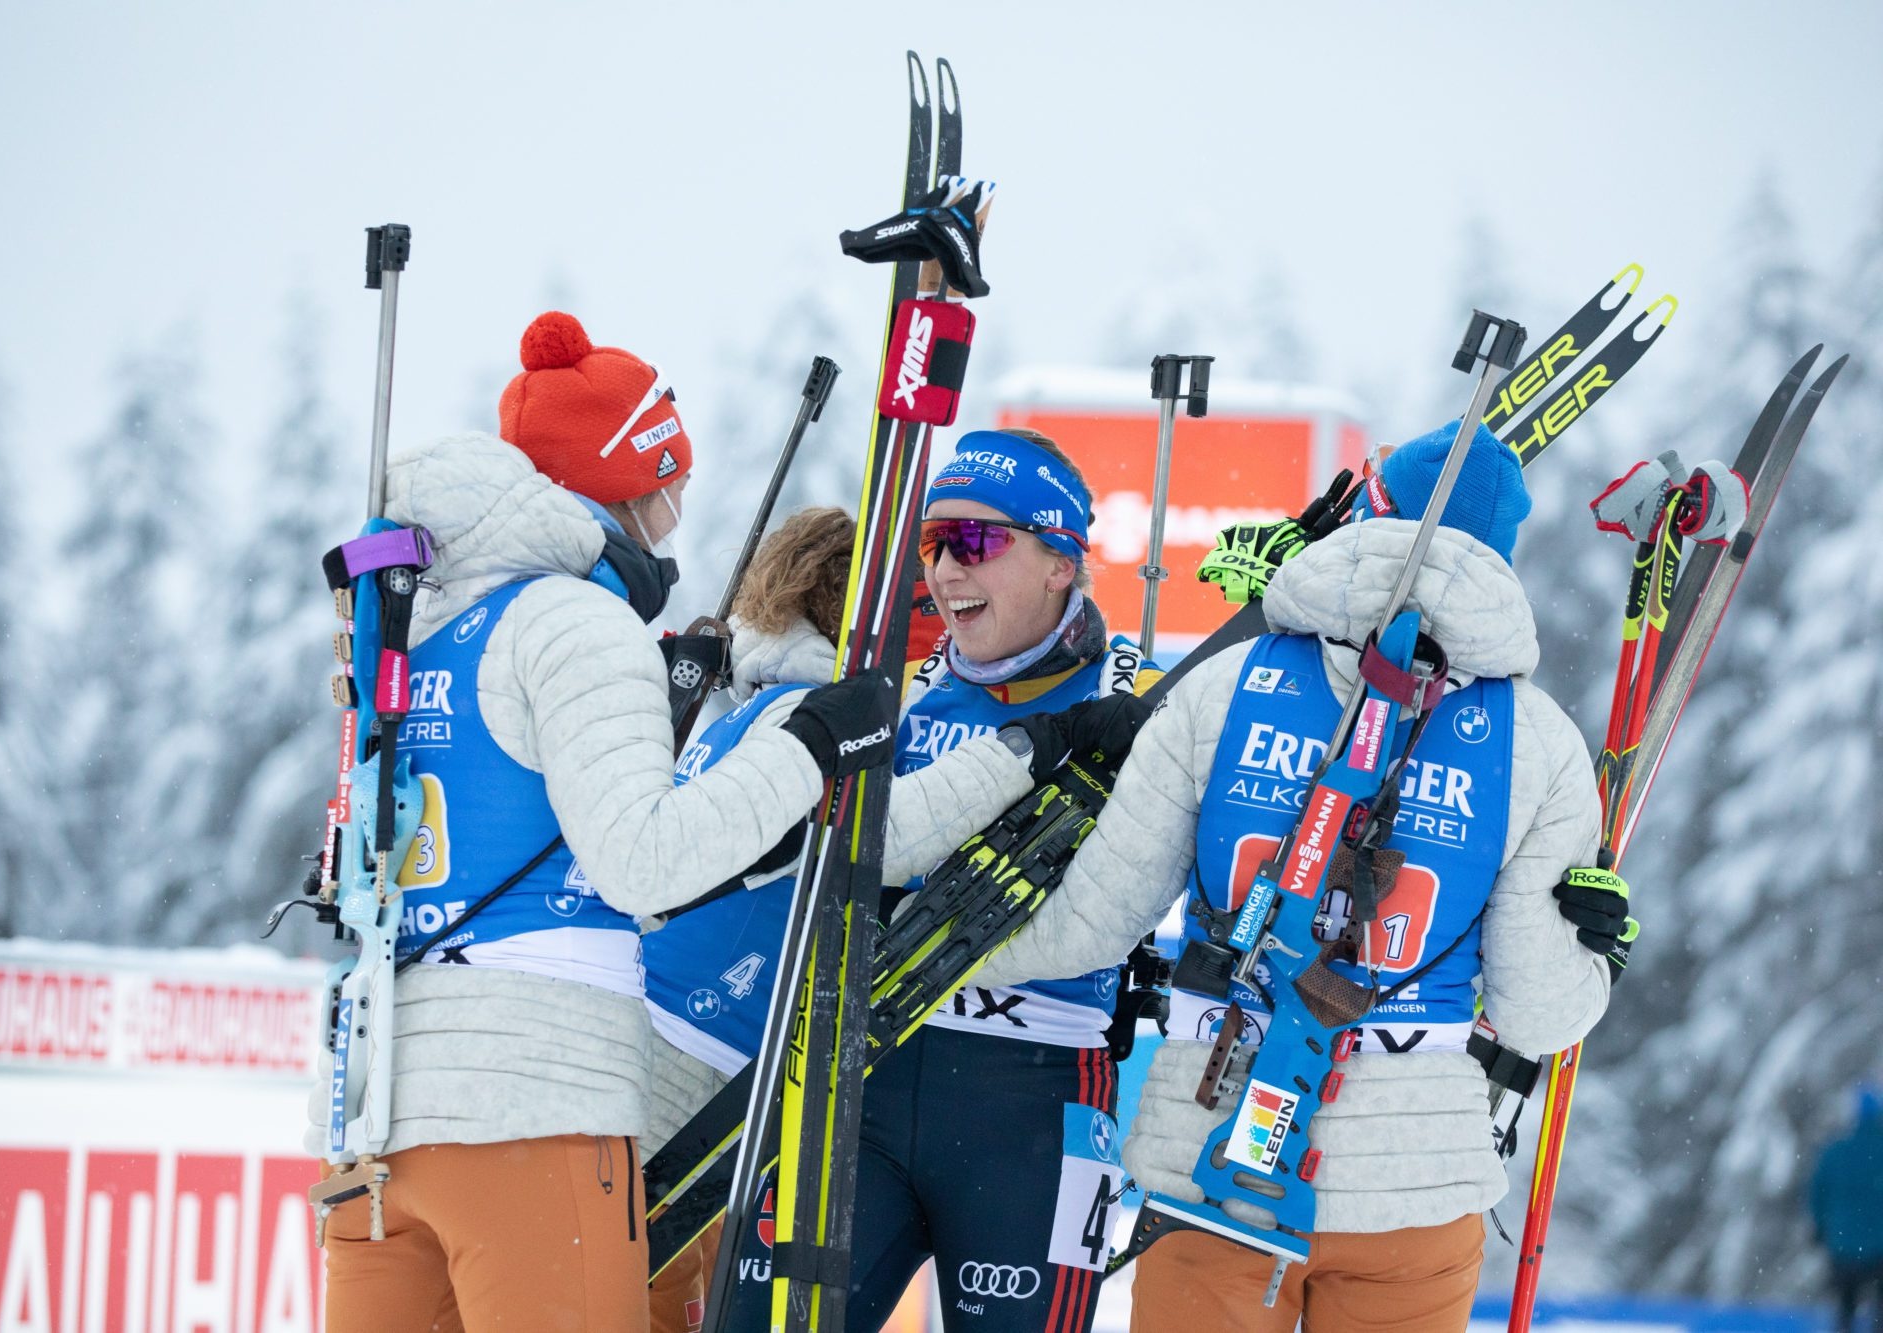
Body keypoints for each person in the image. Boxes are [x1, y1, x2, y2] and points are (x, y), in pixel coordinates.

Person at [308, 311, 902, 1333]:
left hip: (381, 1116)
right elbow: (643, 862)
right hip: (536, 1106)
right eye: (672, 487)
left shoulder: (416, 615)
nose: (677, 516)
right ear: (635, 481)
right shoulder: (575, 621)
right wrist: (805, 744)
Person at [978, 423, 1630, 1331]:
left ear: (1367, 513)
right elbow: (1536, 1017)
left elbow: (1089, 924)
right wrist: (1597, 956)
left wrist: (931, 956)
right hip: (1415, 1187)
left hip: (1213, 1160)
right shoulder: (1543, 741)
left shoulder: (1225, 684)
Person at [643, 505, 1149, 1333]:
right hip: (737, 1058)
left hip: (756, 1054)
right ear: (858, 612)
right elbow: (886, 833)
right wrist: (1038, 743)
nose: (945, 594)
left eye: (971, 549)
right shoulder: (819, 707)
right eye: (925, 576)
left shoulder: (753, 694)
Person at [1811, 1084, 1883, 1333]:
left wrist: (1820, 1229)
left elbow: (1816, 1195)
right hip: (1880, 1248)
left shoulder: (1835, 1151)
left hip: (1844, 1245)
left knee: (1845, 1307)